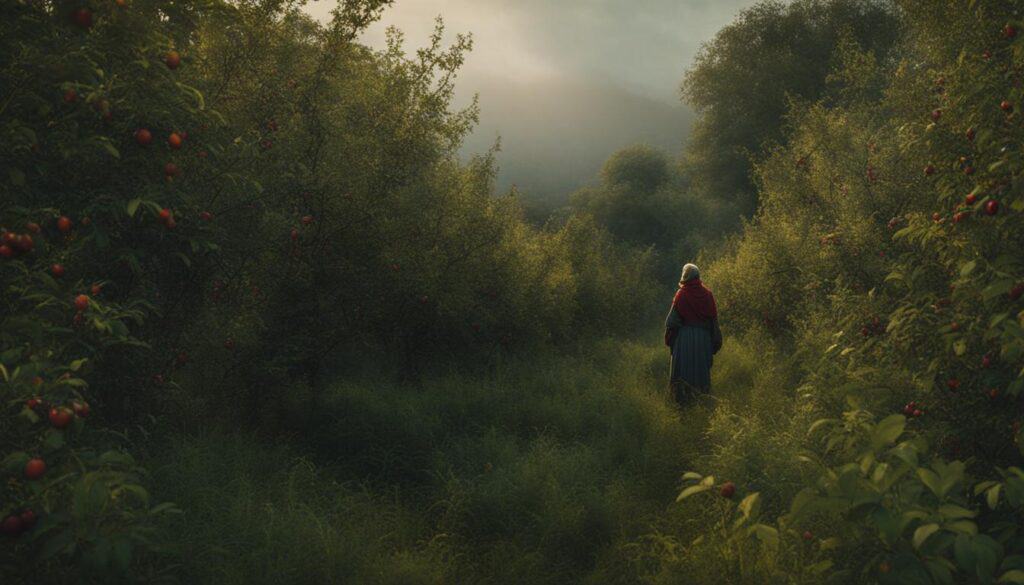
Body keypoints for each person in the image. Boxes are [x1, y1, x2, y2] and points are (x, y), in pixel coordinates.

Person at [664, 263, 722, 406]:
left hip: (684, 339)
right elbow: (713, 320)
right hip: (703, 339)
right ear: (697, 276)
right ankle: (702, 403)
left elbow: (671, 321)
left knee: (683, 372)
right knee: (700, 372)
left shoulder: (681, 294)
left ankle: (682, 404)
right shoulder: (708, 294)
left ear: (685, 276)